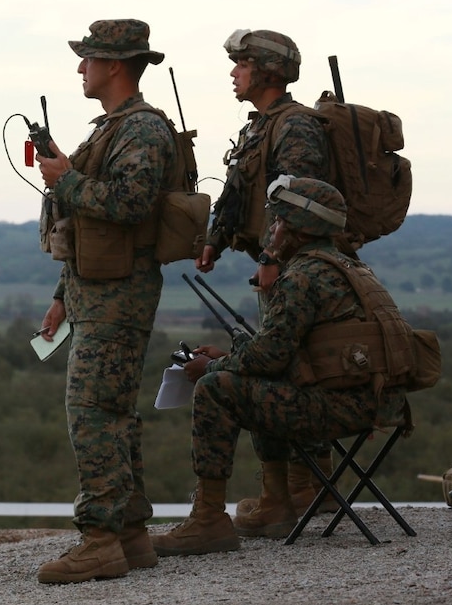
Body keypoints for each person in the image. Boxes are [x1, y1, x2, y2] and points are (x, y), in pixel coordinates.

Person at [150, 177, 408, 557]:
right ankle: (274, 504)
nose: (271, 229)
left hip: (340, 408)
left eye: (278, 221)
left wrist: (209, 368)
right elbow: (289, 353)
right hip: (375, 402)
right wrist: (228, 356)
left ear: (296, 228)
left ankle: (208, 521)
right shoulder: (348, 266)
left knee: (217, 388)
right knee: (246, 376)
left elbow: (269, 358)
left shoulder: (302, 276)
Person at [33, 19, 176, 584]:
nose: (80, 69)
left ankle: (98, 542)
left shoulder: (142, 130)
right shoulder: (115, 128)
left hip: (120, 296)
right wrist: (63, 296)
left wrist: (66, 178)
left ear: (115, 65)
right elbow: (92, 226)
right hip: (96, 292)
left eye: (88, 59)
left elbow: (130, 204)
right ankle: (130, 535)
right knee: (114, 414)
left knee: (91, 414)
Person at [197, 29, 338, 524]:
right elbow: (240, 187)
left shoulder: (296, 125)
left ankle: (305, 488)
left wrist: (274, 257)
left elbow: (296, 200)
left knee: (297, 368)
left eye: (242, 64)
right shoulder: (262, 125)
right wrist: (215, 240)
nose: (234, 73)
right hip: (276, 264)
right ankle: (287, 490)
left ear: (267, 70)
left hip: (297, 269)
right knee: (280, 367)